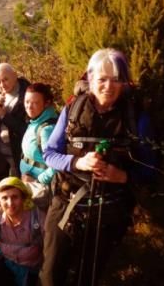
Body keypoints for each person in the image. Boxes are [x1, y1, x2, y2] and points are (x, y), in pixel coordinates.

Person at [41, 48, 141, 286]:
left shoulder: (135, 117)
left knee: (89, 277)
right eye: (102, 79)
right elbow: (49, 153)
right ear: (90, 79)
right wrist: (77, 162)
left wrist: (122, 176)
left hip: (108, 213)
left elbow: (150, 168)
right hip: (67, 206)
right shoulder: (73, 110)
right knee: (50, 275)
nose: (109, 85)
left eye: (116, 79)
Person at [0, 63, 29, 181]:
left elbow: (27, 129)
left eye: (5, 79)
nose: (2, 85)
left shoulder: (27, 95)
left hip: (18, 151)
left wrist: (5, 116)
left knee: (18, 187)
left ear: (15, 75)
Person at [20, 83, 58, 209]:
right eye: (26, 101)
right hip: (29, 183)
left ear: (46, 103)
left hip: (40, 191)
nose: (29, 106)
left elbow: (57, 164)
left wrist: (39, 180)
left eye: (35, 103)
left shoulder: (47, 129)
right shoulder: (37, 120)